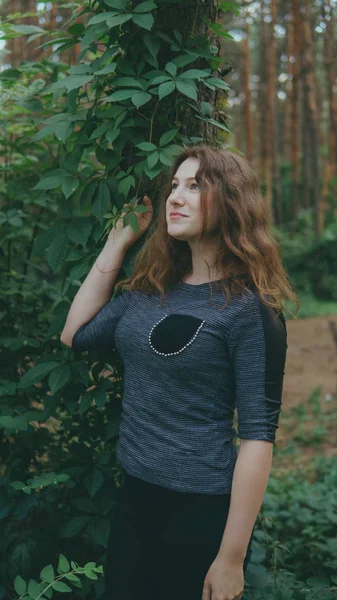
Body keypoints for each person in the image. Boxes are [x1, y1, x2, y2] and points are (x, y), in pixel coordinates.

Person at [61, 145, 299, 600]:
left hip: (200, 513)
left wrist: (230, 558)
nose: (175, 197)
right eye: (174, 186)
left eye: (194, 187)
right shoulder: (152, 289)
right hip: (134, 500)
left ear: (230, 203)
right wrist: (118, 241)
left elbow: (257, 437)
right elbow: (75, 334)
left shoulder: (249, 310)